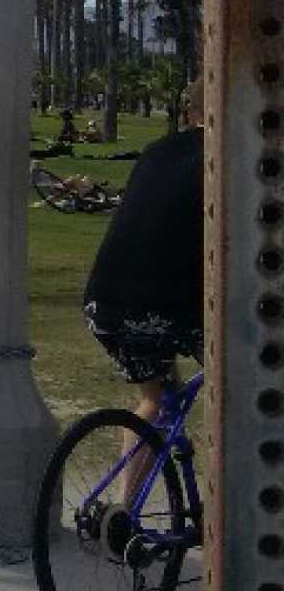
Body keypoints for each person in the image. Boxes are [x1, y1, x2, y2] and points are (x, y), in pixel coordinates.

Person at [83, 83, 203, 504]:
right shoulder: (225, 158)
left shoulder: (156, 152)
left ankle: (124, 513)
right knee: (246, 386)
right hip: (167, 306)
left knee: (154, 400)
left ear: (188, 114)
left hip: (106, 303)